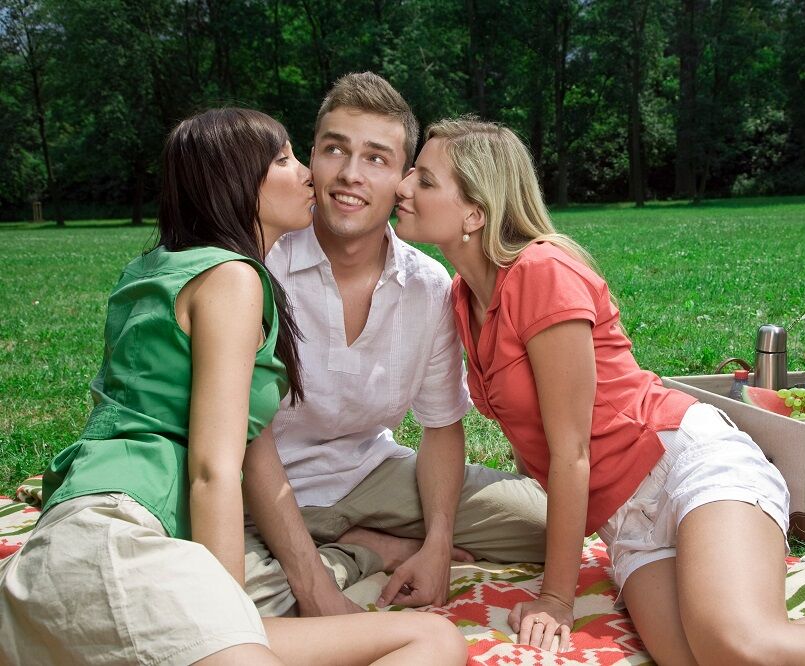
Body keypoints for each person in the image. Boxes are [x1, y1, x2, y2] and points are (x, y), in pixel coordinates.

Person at [393, 117, 805, 664]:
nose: (402, 188)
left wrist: (556, 596)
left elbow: (571, 451)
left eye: (424, 179)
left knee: (741, 645)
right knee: (705, 659)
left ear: (475, 213)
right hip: (625, 522)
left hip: (686, 466)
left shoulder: (541, 271)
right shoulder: (462, 297)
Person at [0, 108, 467, 666]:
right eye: (285, 160)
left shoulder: (159, 268)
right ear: (240, 183)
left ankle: (354, 555)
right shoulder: (234, 278)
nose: (310, 175)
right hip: (115, 543)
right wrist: (229, 614)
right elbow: (213, 472)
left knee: (435, 638)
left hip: (91, 546)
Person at [242, 72, 546, 618]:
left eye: (376, 159)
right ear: (312, 159)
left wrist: (438, 544)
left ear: (403, 182)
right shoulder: (261, 266)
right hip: (261, 489)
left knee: (543, 526)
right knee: (235, 601)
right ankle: (363, 552)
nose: (350, 174)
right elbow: (241, 442)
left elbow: (441, 426)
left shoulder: (428, 286)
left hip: (369, 475)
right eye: (335, 150)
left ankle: (350, 543)